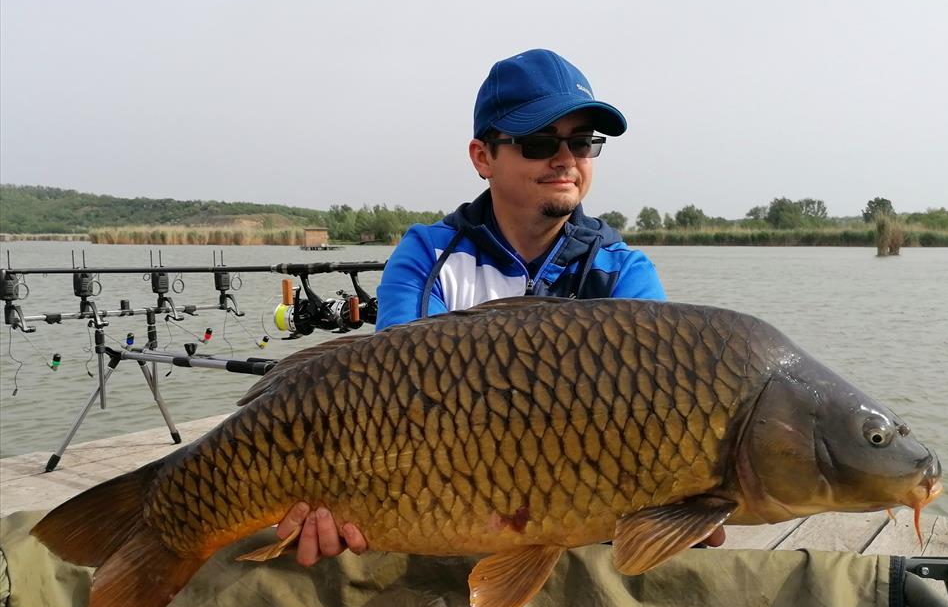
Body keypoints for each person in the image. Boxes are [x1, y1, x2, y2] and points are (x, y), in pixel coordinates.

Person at [277, 48, 725, 564]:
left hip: (588, 530)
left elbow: (661, 414)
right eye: (538, 142)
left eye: (581, 142)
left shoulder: (623, 272)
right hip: (443, 506)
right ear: (482, 157)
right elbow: (392, 396)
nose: (565, 160)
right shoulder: (429, 254)